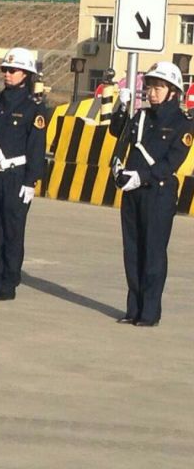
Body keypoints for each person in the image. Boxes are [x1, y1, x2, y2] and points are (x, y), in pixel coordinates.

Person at [110, 62, 193, 327]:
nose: (152, 92)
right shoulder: (141, 116)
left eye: (159, 87)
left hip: (158, 194)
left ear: (173, 92)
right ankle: (133, 309)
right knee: (132, 251)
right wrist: (121, 107)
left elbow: (171, 163)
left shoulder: (183, 125)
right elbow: (117, 133)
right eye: (150, 87)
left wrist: (141, 176)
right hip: (133, 193)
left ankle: (149, 313)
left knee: (153, 253)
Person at [0, 47, 46, 300]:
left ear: (25, 74)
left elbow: (36, 147)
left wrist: (30, 181)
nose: (7, 74)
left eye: (13, 70)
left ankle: (9, 283)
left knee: (12, 232)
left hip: (16, 177)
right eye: (5, 69)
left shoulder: (33, 107)